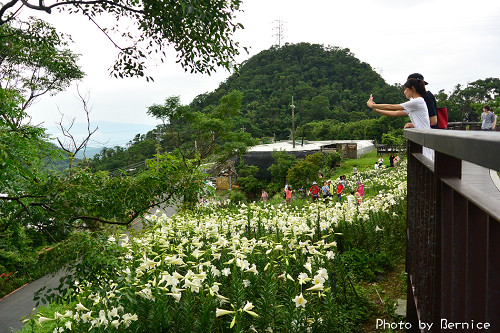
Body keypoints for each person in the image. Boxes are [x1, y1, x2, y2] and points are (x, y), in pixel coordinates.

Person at [367, 78, 433, 160]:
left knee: (426, 163)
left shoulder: (417, 102)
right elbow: (395, 113)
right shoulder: (416, 103)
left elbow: (392, 107)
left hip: (424, 139)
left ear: (412, 88)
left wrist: (372, 105)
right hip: (422, 138)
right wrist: (377, 110)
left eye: (406, 89)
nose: (404, 92)